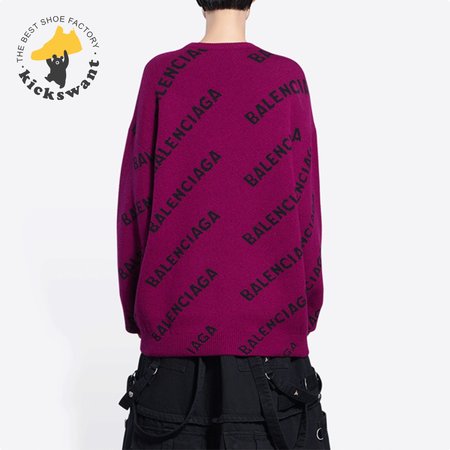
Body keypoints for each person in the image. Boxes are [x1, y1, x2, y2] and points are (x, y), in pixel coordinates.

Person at [116, 0, 330, 448]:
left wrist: (144, 313)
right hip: (273, 350)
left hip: (173, 352)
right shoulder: (286, 78)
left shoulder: (162, 76)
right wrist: (301, 314)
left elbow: (134, 206)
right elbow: (306, 210)